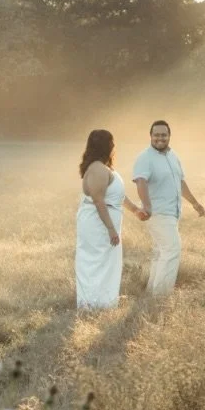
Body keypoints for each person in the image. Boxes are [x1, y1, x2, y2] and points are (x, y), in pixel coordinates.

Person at [75, 128, 148, 310]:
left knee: (107, 262)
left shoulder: (104, 168)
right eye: (112, 143)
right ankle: (92, 304)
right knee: (96, 262)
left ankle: (104, 302)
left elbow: (117, 196)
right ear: (106, 146)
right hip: (97, 224)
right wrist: (110, 229)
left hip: (104, 221)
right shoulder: (98, 170)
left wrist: (135, 210)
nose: (114, 146)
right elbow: (99, 201)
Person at [132, 119, 205, 296]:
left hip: (172, 214)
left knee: (160, 252)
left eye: (164, 135)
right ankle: (160, 297)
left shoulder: (173, 156)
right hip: (157, 214)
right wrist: (147, 206)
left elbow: (180, 182)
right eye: (156, 135)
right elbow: (141, 181)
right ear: (150, 136)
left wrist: (195, 203)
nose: (160, 138)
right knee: (172, 250)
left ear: (169, 136)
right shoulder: (145, 157)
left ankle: (152, 293)